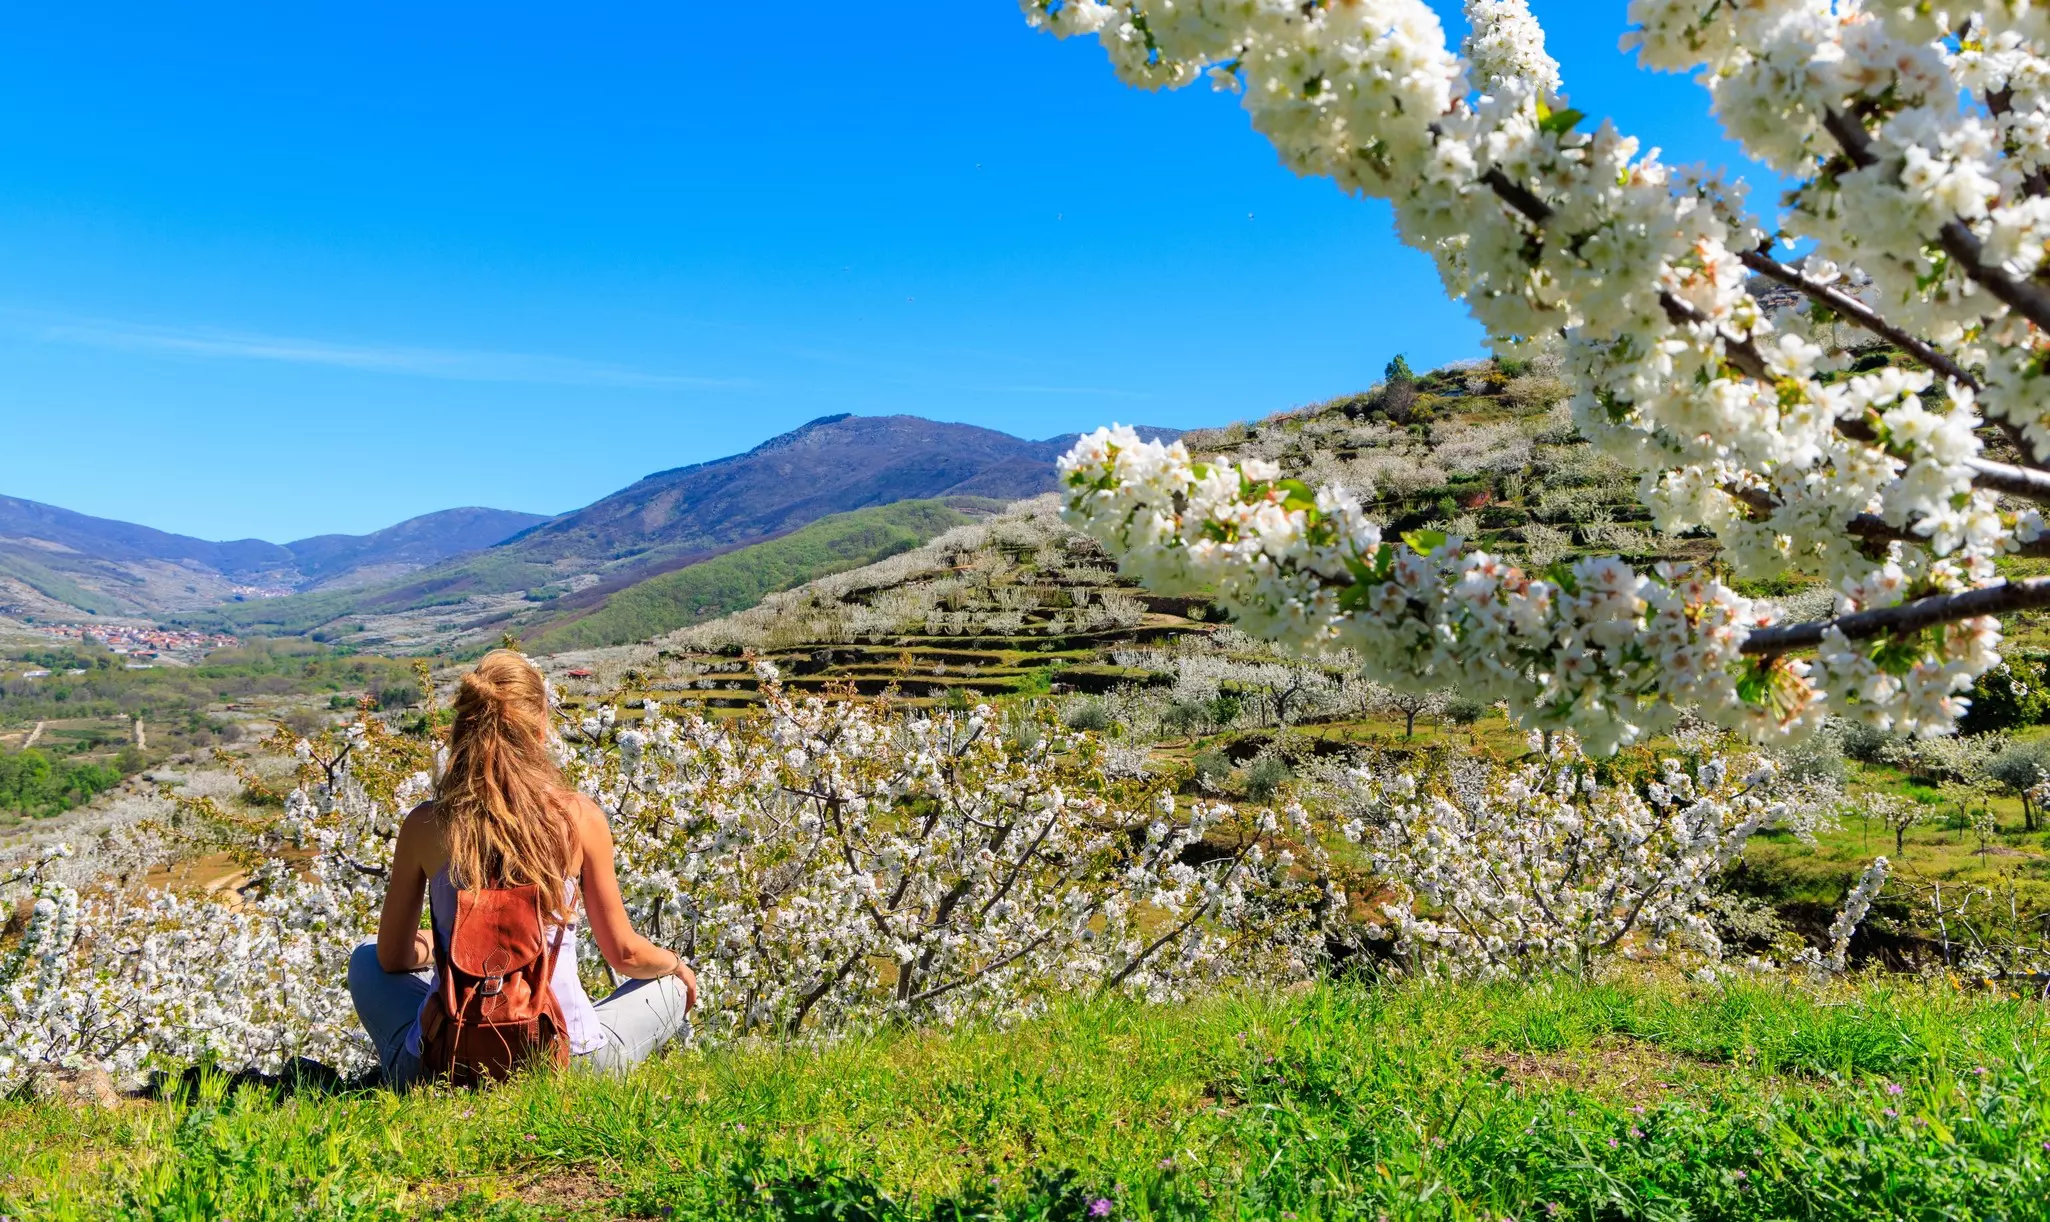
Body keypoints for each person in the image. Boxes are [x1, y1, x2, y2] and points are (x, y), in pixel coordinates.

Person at [347, 649, 697, 1088]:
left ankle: (412, 1070)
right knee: (670, 985)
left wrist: (440, 946)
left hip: (446, 1062)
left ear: (461, 727)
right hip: (570, 1065)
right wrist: (676, 965)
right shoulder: (578, 817)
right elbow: (624, 954)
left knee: (364, 960)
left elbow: (392, 958)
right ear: (541, 726)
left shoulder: (426, 824)